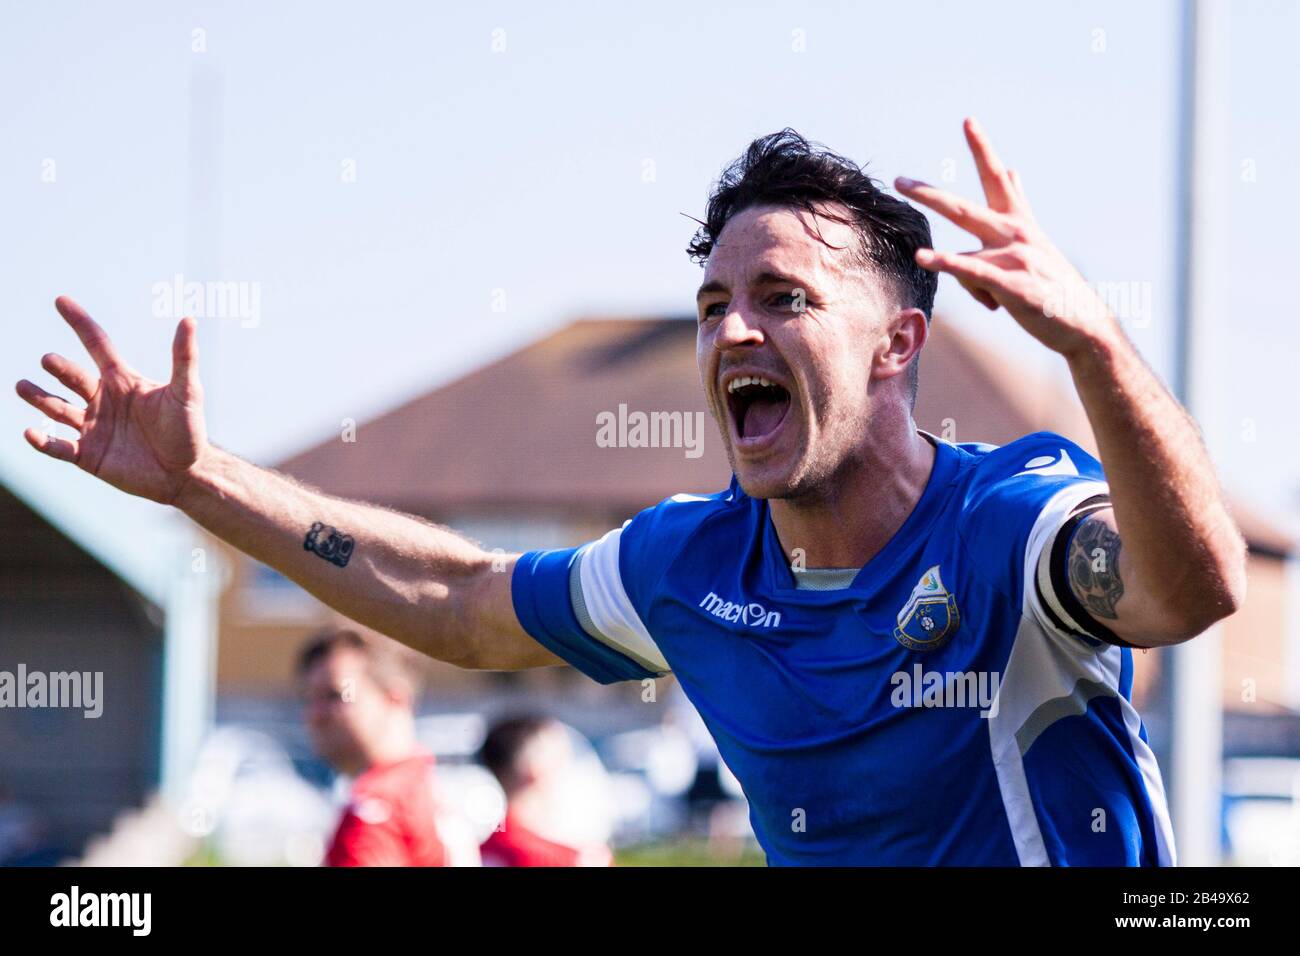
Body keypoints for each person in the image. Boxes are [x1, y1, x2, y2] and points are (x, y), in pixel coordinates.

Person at [17, 118, 1247, 865]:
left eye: (785, 298)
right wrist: (202, 480)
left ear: (898, 346)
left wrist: (1094, 348)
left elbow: (1191, 584)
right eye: (714, 305)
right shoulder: (689, 569)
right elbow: (461, 596)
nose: (731, 332)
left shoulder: (1008, 521)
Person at [297, 627, 475, 866]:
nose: (313, 715)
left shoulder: (376, 809)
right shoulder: (427, 786)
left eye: (334, 696)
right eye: (309, 699)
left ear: (395, 698)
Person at [477, 715, 612, 867]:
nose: (568, 770)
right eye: (560, 759)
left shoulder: (480, 850)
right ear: (535, 770)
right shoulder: (570, 858)